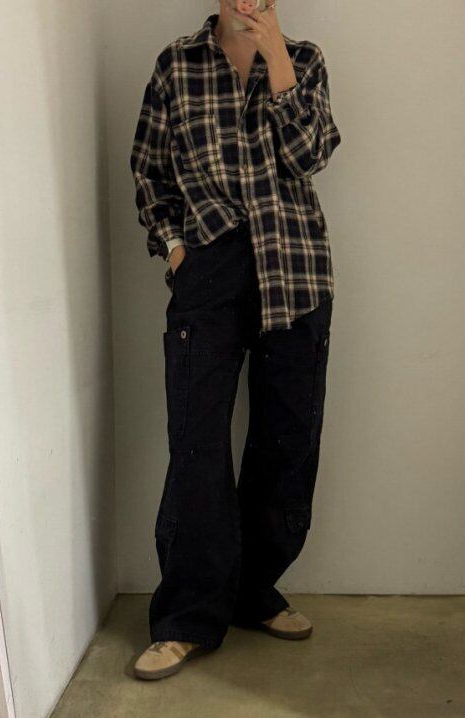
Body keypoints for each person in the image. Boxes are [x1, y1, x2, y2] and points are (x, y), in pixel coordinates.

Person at [129, 0, 341, 680]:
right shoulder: (177, 65)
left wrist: (276, 55)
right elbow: (150, 171)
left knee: (287, 439)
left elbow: (310, 153)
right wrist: (175, 249)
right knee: (197, 443)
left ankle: (254, 591)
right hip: (210, 270)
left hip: (295, 269)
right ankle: (188, 616)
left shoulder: (303, 60)